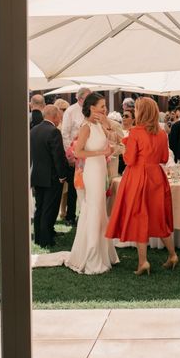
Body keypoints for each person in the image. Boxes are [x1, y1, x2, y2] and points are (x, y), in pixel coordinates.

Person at [106, 97, 178, 275]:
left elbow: (129, 160)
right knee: (158, 216)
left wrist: (125, 147)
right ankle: (173, 255)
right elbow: (163, 158)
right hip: (156, 177)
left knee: (139, 216)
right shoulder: (161, 133)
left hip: (137, 176)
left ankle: (143, 262)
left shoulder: (136, 132)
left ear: (142, 112)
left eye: (136, 109)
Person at [64, 94, 119, 274]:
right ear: (92, 108)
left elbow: (114, 137)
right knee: (94, 209)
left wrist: (108, 149)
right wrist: (100, 152)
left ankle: (105, 253)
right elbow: (78, 152)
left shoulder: (98, 125)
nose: (104, 109)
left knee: (100, 210)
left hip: (100, 169)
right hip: (92, 171)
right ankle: (92, 256)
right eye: (102, 106)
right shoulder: (85, 127)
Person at [30, 105, 70, 247]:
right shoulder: (54, 131)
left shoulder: (33, 130)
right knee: (50, 208)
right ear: (54, 116)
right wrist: (62, 176)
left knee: (39, 207)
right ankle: (46, 239)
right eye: (59, 116)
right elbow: (58, 156)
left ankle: (39, 236)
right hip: (52, 177)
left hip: (37, 176)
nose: (60, 119)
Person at [61, 87, 91, 225]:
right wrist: (71, 156)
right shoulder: (70, 111)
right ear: (80, 99)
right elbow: (65, 134)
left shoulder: (91, 110)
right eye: (88, 97)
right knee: (74, 187)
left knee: (88, 185)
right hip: (75, 155)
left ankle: (84, 214)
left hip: (89, 155)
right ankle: (70, 216)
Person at [118, 107, 135, 174]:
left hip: (128, 161)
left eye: (126, 116)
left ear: (133, 120)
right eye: (123, 116)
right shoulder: (118, 130)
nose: (124, 117)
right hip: (117, 159)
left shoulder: (134, 132)